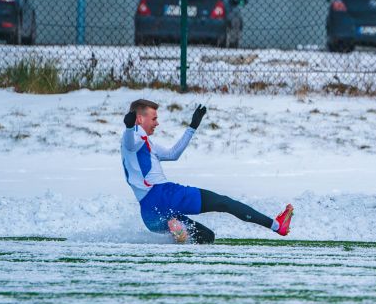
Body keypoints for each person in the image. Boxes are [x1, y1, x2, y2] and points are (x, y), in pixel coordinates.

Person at [121, 99, 293, 244]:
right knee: (223, 202)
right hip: (164, 194)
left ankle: (174, 226)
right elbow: (131, 143)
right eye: (154, 118)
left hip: (149, 211)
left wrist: (192, 127)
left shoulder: (146, 142)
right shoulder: (132, 137)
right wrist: (129, 127)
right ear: (139, 119)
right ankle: (277, 226)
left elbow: (173, 154)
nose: (157, 123)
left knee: (206, 236)